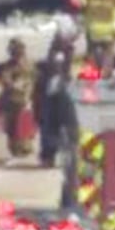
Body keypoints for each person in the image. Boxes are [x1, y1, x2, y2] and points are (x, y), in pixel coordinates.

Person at [35, 23, 76, 168]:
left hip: (63, 95)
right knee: (51, 127)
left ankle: (62, 157)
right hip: (54, 96)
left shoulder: (68, 53)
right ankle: (49, 157)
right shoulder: (57, 55)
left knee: (65, 128)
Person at [0, 38, 36, 159]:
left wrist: (28, 87)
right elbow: (5, 79)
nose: (17, 54)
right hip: (11, 99)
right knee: (12, 125)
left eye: (19, 51)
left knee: (26, 123)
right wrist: (13, 85)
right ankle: (15, 146)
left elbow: (33, 77)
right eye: (15, 52)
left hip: (26, 98)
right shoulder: (8, 66)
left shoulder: (29, 64)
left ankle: (26, 145)